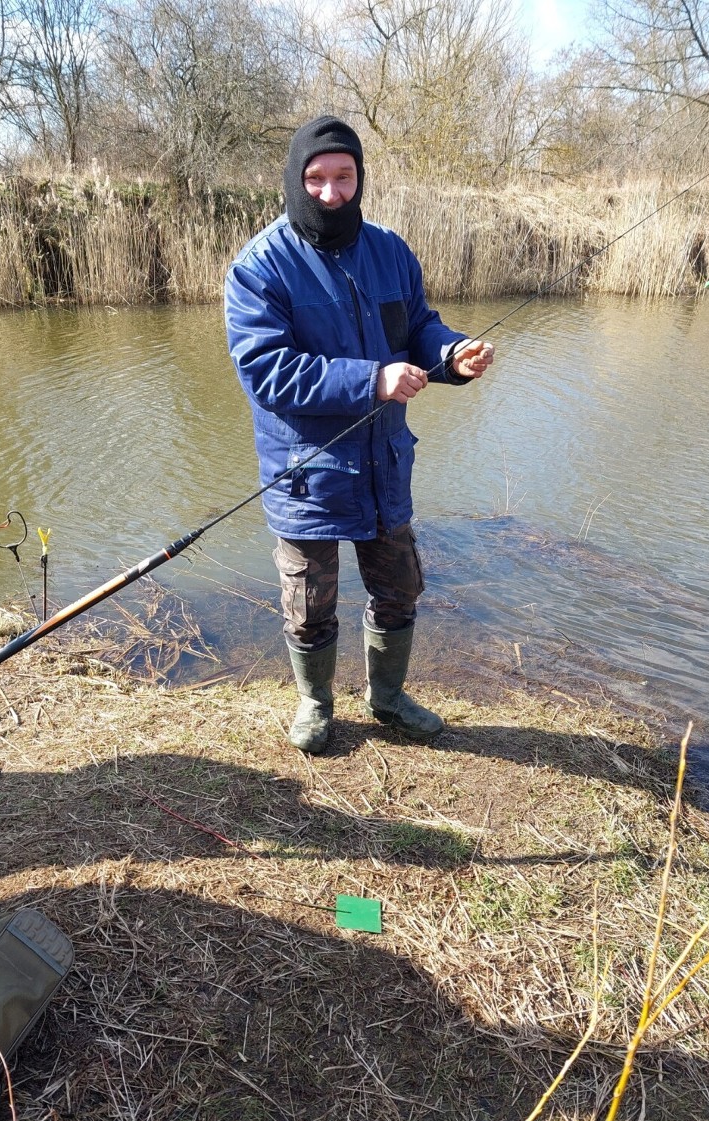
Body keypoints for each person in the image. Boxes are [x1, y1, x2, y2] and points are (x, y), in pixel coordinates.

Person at [224, 115, 494, 754]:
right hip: (305, 469)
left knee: (398, 588)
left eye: (343, 176)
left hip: (384, 464)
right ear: (295, 180)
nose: (330, 192)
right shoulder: (259, 267)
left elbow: (418, 328)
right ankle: (315, 703)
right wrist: (373, 379)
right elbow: (267, 372)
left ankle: (388, 698)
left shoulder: (391, 252)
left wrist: (451, 354)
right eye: (315, 178)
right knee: (310, 602)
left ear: (360, 178)